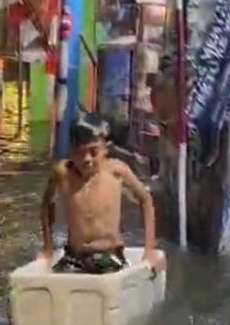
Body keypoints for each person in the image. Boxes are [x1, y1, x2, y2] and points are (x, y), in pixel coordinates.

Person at [38, 114, 160, 274]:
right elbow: (46, 205)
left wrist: (149, 248)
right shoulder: (62, 173)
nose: (86, 159)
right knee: (57, 283)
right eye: (79, 153)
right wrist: (48, 247)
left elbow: (145, 199)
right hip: (74, 256)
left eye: (93, 152)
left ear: (105, 149)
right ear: (70, 150)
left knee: (108, 279)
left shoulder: (116, 171)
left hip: (109, 255)